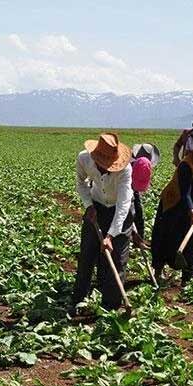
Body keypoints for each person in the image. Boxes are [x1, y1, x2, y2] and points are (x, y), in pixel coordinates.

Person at [69, 133, 133, 315]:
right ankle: (78, 298)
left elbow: (124, 204)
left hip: (119, 212)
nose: (106, 169)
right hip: (96, 206)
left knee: (116, 259)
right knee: (87, 254)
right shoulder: (83, 159)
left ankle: (110, 307)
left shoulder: (125, 170)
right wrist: (88, 206)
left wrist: (111, 235)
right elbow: (80, 183)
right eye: (103, 165)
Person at [152, 125, 193, 287]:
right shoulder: (186, 165)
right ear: (192, 148)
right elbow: (185, 193)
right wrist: (191, 211)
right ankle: (157, 272)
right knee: (167, 238)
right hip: (175, 204)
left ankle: (187, 280)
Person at [130, 143, 160, 248]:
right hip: (122, 188)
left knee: (139, 212)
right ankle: (134, 238)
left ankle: (139, 240)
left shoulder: (143, 165)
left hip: (133, 188)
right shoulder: (126, 166)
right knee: (129, 213)